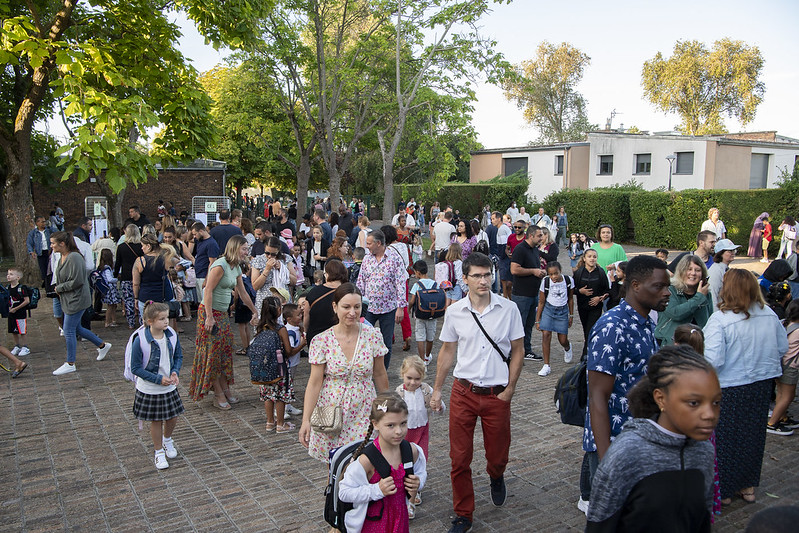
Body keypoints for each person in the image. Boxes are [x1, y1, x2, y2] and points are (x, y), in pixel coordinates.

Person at [430, 252, 524, 533]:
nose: (484, 280)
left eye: (487, 274)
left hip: (497, 394)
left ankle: (496, 475)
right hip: (464, 392)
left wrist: (510, 389)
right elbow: (447, 351)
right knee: (459, 458)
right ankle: (463, 514)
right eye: (478, 276)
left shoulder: (508, 309)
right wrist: (436, 389)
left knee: (497, 455)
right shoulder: (455, 311)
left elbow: (518, 350)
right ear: (465, 279)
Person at [586, 346, 720, 532]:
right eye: (694, 403)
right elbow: (599, 523)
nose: (709, 414)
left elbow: (702, 518)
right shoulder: (626, 454)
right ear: (661, 398)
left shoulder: (704, 451)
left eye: (716, 402)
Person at [581, 255, 670, 512]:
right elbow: (597, 396)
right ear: (635, 286)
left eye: (667, 287)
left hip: (639, 438)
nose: (666, 293)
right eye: (659, 287)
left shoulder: (644, 322)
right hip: (616, 445)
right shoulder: (613, 326)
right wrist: (608, 460)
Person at [703, 268, 788, 504]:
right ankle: (747, 486)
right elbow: (782, 347)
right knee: (753, 435)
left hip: (730, 386)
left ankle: (727, 489)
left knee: (726, 438)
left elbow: (713, 359)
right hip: (761, 384)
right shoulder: (769, 314)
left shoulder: (721, 318)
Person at [299, 283, 390, 461]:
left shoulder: (372, 336)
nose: (352, 312)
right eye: (346, 307)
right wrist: (306, 419)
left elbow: (379, 374)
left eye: (357, 307)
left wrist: (386, 408)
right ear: (335, 307)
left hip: (364, 407)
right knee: (335, 463)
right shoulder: (322, 340)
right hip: (331, 409)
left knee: (363, 462)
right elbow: (315, 382)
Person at [338, 392, 427, 532]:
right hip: (374, 523)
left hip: (400, 519)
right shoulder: (367, 461)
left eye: (403, 423)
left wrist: (418, 482)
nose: (399, 431)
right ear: (376, 424)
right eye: (391, 425)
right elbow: (344, 492)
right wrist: (376, 490)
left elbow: (421, 472)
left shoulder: (411, 451)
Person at [188, 235, 258, 410]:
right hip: (210, 313)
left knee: (224, 352)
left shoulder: (236, 268)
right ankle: (218, 393)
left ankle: (225, 388)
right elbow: (208, 290)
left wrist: (254, 310)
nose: (246, 252)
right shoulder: (220, 265)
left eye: (247, 249)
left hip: (223, 314)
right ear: (235, 248)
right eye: (244, 249)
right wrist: (209, 317)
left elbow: (242, 292)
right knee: (212, 353)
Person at [129, 302, 184, 470]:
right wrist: (158, 379)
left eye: (167, 317)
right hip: (151, 387)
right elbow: (136, 368)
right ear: (150, 321)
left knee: (173, 416)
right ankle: (158, 451)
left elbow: (178, 356)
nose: (166, 322)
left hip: (169, 385)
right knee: (156, 420)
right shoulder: (140, 340)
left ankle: (167, 440)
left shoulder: (171, 335)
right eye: (161, 319)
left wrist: (175, 372)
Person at [50, 232, 112, 375]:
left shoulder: (75, 257)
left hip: (76, 299)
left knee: (68, 330)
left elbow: (78, 281)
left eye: (53, 243)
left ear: (62, 244)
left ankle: (70, 362)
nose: (51, 245)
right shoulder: (62, 256)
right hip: (69, 298)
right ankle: (102, 345)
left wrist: (59, 288)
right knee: (76, 327)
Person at [356, 229, 407, 369]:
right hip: (368, 308)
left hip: (388, 308)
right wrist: (357, 304)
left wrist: (400, 307)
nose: (367, 246)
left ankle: (383, 371)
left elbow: (401, 283)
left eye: (369, 243)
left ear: (379, 243)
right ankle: (366, 368)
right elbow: (361, 282)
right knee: (363, 339)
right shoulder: (367, 259)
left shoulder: (394, 259)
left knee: (386, 342)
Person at [395, 356, 433, 518]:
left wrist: (436, 405)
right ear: (403, 374)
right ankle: (404, 490)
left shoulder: (425, 390)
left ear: (422, 377)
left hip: (422, 430)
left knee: (419, 461)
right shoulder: (399, 392)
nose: (412, 382)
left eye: (417, 379)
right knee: (404, 462)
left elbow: (438, 406)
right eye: (409, 378)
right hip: (405, 433)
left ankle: (414, 493)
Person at [253, 297, 295, 433]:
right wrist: (302, 345)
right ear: (278, 311)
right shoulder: (280, 329)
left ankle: (270, 422)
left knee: (268, 395)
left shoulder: (260, 327)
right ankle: (281, 424)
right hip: (280, 367)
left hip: (264, 368)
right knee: (280, 396)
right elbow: (288, 351)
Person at [654, 255, 712, 346]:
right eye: (689, 269)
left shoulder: (706, 294)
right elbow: (675, 313)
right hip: (669, 345)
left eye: (697, 270)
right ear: (681, 271)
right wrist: (699, 297)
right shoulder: (670, 290)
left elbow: (709, 320)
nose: (693, 273)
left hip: (697, 345)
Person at [510, 226, 546, 361]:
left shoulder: (535, 250)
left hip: (533, 293)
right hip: (521, 294)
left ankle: (526, 350)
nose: (541, 238)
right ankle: (515, 352)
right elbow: (514, 269)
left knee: (529, 323)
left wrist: (540, 272)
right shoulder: (520, 249)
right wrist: (533, 271)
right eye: (539, 236)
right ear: (531, 236)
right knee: (519, 324)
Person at [534, 261, 574, 377]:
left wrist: (571, 315)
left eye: (555, 273)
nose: (553, 277)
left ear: (560, 271)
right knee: (546, 334)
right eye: (550, 274)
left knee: (562, 339)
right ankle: (546, 365)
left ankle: (567, 347)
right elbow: (541, 301)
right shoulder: (546, 281)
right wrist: (538, 320)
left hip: (562, 311)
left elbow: (570, 299)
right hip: (548, 310)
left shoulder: (568, 280)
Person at [766, 300, 799, 435]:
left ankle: (781, 416)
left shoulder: (784, 323)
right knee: (788, 396)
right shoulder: (797, 330)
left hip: (779, 364)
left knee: (780, 393)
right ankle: (772, 423)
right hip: (790, 367)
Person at [573, 249, 611, 357]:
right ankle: (590, 351)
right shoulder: (579, 272)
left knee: (591, 330)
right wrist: (580, 291)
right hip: (582, 306)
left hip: (596, 307)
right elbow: (571, 289)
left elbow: (607, 290)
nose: (592, 259)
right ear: (584, 258)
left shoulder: (600, 272)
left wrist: (599, 298)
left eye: (594, 256)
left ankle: (585, 356)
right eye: (589, 256)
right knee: (586, 330)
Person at [304, 259, 349, 345]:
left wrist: (305, 332)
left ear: (327, 275)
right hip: (340, 336)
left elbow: (306, 315)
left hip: (316, 337)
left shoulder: (313, 292)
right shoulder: (347, 292)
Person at [132, 234, 172, 323]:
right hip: (162, 296)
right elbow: (177, 260)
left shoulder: (140, 261)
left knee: (147, 324)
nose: (141, 248)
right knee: (162, 324)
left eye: (142, 246)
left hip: (145, 296)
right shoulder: (165, 258)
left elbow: (135, 283)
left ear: (148, 246)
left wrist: (136, 298)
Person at [409, 260, 439, 365]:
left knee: (420, 337)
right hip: (432, 314)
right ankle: (427, 356)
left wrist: (408, 309)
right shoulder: (435, 284)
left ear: (417, 272)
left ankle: (422, 360)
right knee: (430, 337)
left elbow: (412, 301)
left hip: (420, 314)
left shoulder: (417, 285)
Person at [115, 225, 144, 329]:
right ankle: (142, 321)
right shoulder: (141, 246)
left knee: (128, 300)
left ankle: (131, 322)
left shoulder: (122, 247)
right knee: (141, 300)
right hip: (141, 276)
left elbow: (118, 263)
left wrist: (115, 275)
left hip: (126, 276)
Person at [708, 239, 740, 312]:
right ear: (720, 253)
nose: (733, 253)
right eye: (729, 251)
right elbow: (712, 294)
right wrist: (715, 316)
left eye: (734, 250)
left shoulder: (725, 268)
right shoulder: (716, 270)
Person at [6, 267, 31, 357]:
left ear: (18, 277)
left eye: (11, 274)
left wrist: (16, 308)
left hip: (20, 313)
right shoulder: (7, 288)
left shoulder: (22, 288)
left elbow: (26, 300)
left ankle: (25, 346)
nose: (8, 276)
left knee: (22, 330)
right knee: (13, 330)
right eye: (8, 274)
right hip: (11, 313)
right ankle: (17, 346)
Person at [191, 222, 220, 298]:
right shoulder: (200, 240)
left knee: (205, 300)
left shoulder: (211, 244)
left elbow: (212, 263)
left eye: (195, 234)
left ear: (201, 231)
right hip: (199, 274)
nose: (194, 236)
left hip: (204, 275)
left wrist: (207, 279)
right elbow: (189, 239)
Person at [97, 249, 120, 327]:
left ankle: (113, 320)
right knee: (111, 306)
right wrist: (117, 279)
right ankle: (108, 321)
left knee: (112, 305)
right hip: (110, 289)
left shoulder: (102, 268)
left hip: (108, 289)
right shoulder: (107, 268)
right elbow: (110, 279)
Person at [27, 216, 53, 284]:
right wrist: (31, 252)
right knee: (43, 269)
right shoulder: (33, 233)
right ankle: (46, 283)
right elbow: (29, 243)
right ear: (37, 223)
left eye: (44, 221)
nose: (44, 223)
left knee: (50, 268)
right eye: (42, 222)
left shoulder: (49, 230)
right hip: (40, 253)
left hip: (49, 251)